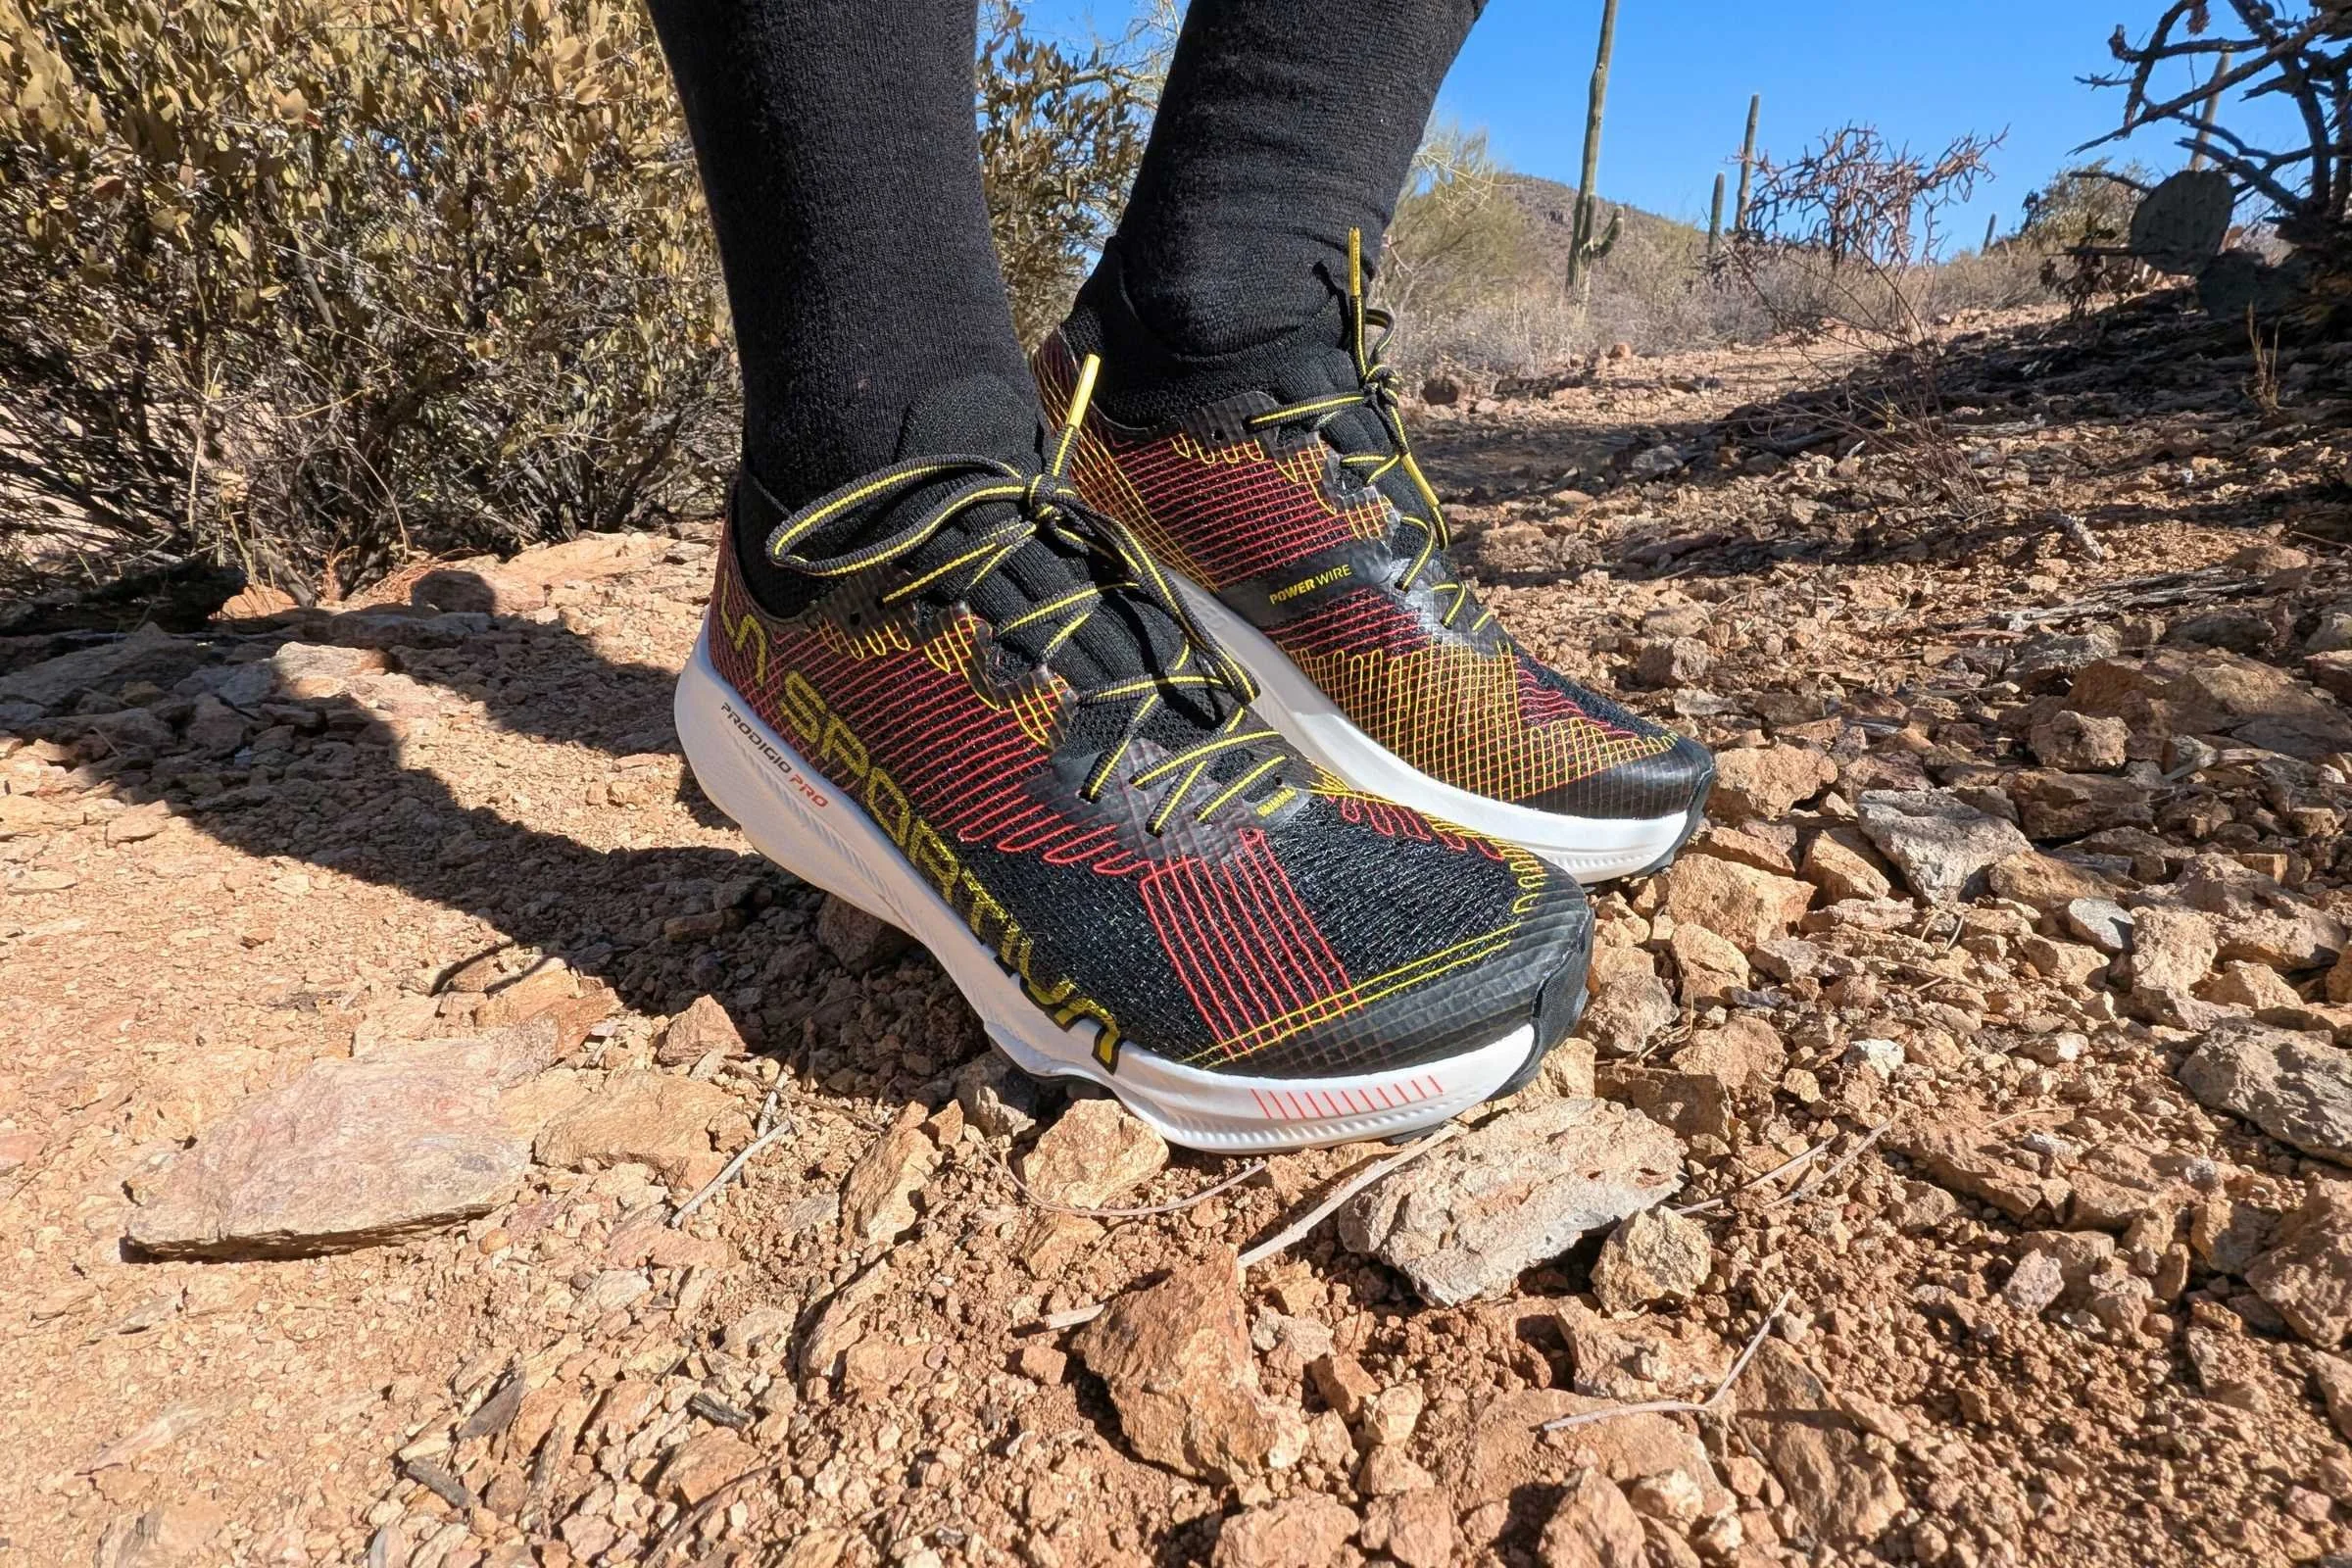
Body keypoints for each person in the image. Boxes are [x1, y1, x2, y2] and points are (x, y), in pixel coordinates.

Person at [646, 0, 1713, 1152]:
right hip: (837, 570)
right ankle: (871, 504)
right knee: (900, 428)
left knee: (1246, 290)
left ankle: (1213, 354)